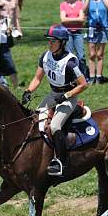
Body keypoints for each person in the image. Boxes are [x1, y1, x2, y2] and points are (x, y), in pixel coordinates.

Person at [20, 25, 89, 177]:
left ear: (62, 42)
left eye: (53, 41)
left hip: (68, 97)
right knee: (36, 119)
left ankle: (62, 162)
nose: (49, 43)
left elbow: (84, 84)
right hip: (53, 94)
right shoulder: (45, 56)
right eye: (49, 41)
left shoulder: (71, 62)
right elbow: (38, 78)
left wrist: (65, 96)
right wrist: (28, 91)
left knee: (55, 125)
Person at [84, 0, 108, 84]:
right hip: (92, 28)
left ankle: (99, 76)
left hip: (103, 28)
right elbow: (84, 10)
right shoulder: (89, 0)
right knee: (91, 54)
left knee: (100, 54)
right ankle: (91, 77)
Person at [60, 0, 86, 69]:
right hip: (67, 33)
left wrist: (69, 20)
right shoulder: (63, 5)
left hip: (78, 33)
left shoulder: (80, 4)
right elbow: (63, 20)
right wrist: (76, 19)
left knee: (81, 56)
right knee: (69, 56)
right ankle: (71, 76)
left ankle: (83, 75)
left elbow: (82, 19)